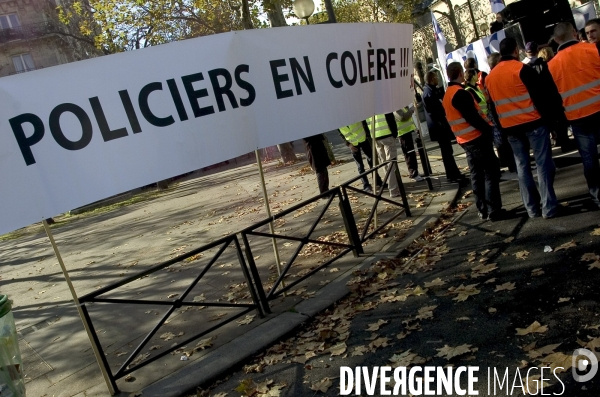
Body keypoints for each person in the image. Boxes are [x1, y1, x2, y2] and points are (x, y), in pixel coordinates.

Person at [486, 37, 566, 219]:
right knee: (542, 164)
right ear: (516, 51)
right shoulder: (522, 69)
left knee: (522, 167)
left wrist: (502, 128)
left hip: (511, 128)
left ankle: (531, 208)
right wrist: (551, 123)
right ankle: (549, 207)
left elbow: (493, 107)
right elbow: (539, 97)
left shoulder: (491, 77)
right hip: (533, 123)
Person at [442, 62, 503, 221]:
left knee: (476, 174)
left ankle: (482, 209)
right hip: (475, 137)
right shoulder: (460, 93)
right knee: (491, 170)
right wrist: (488, 130)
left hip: (464, 139)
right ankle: (494, 209)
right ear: (461, 74)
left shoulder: (448, 94)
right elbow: (473, 117)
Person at [548, 22, 600, 209]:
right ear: (575, 33)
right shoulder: (593, 50)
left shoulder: (552, 65)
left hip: (577, 117)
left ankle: (597, 195)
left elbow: (553, 98)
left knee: (589, 159)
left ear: (555, 40)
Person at [422, 71, 464, 182]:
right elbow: (436, 112)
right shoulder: (428, 93)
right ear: (431, 79)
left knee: (448, 151)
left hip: (440, 126)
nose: (437, 79)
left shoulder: (432, 91)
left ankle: (454, 173)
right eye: (435, 77)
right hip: (439, 127)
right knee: (446, 152)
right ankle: (452, 175)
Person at [338, 121, 384, 194]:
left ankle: (377, 181)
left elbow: (363, 122)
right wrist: (348, 144)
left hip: (363, 139)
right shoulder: (338, 122)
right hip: (353, 144)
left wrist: (367, 134)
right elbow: (341, 134)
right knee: (360, 166)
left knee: (371, 161)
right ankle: (366, 185)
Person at [370, 113, 402, 198]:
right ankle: (393, 189)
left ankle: (393, 185)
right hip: (387, 136)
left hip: (376, 138)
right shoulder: (383, 105)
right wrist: (394, 134)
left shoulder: (367, 108)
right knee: (391, 164)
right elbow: (390, 119)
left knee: (385, 164)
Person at [393, 107, 424, 182]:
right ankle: (413, 173)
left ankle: (415, 172)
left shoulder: (402, 105)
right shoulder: (395, 107)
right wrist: (411, 110)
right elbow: (402, 117)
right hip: (402, 133)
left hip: (407, 131)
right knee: (409, 154)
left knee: (411, 153)